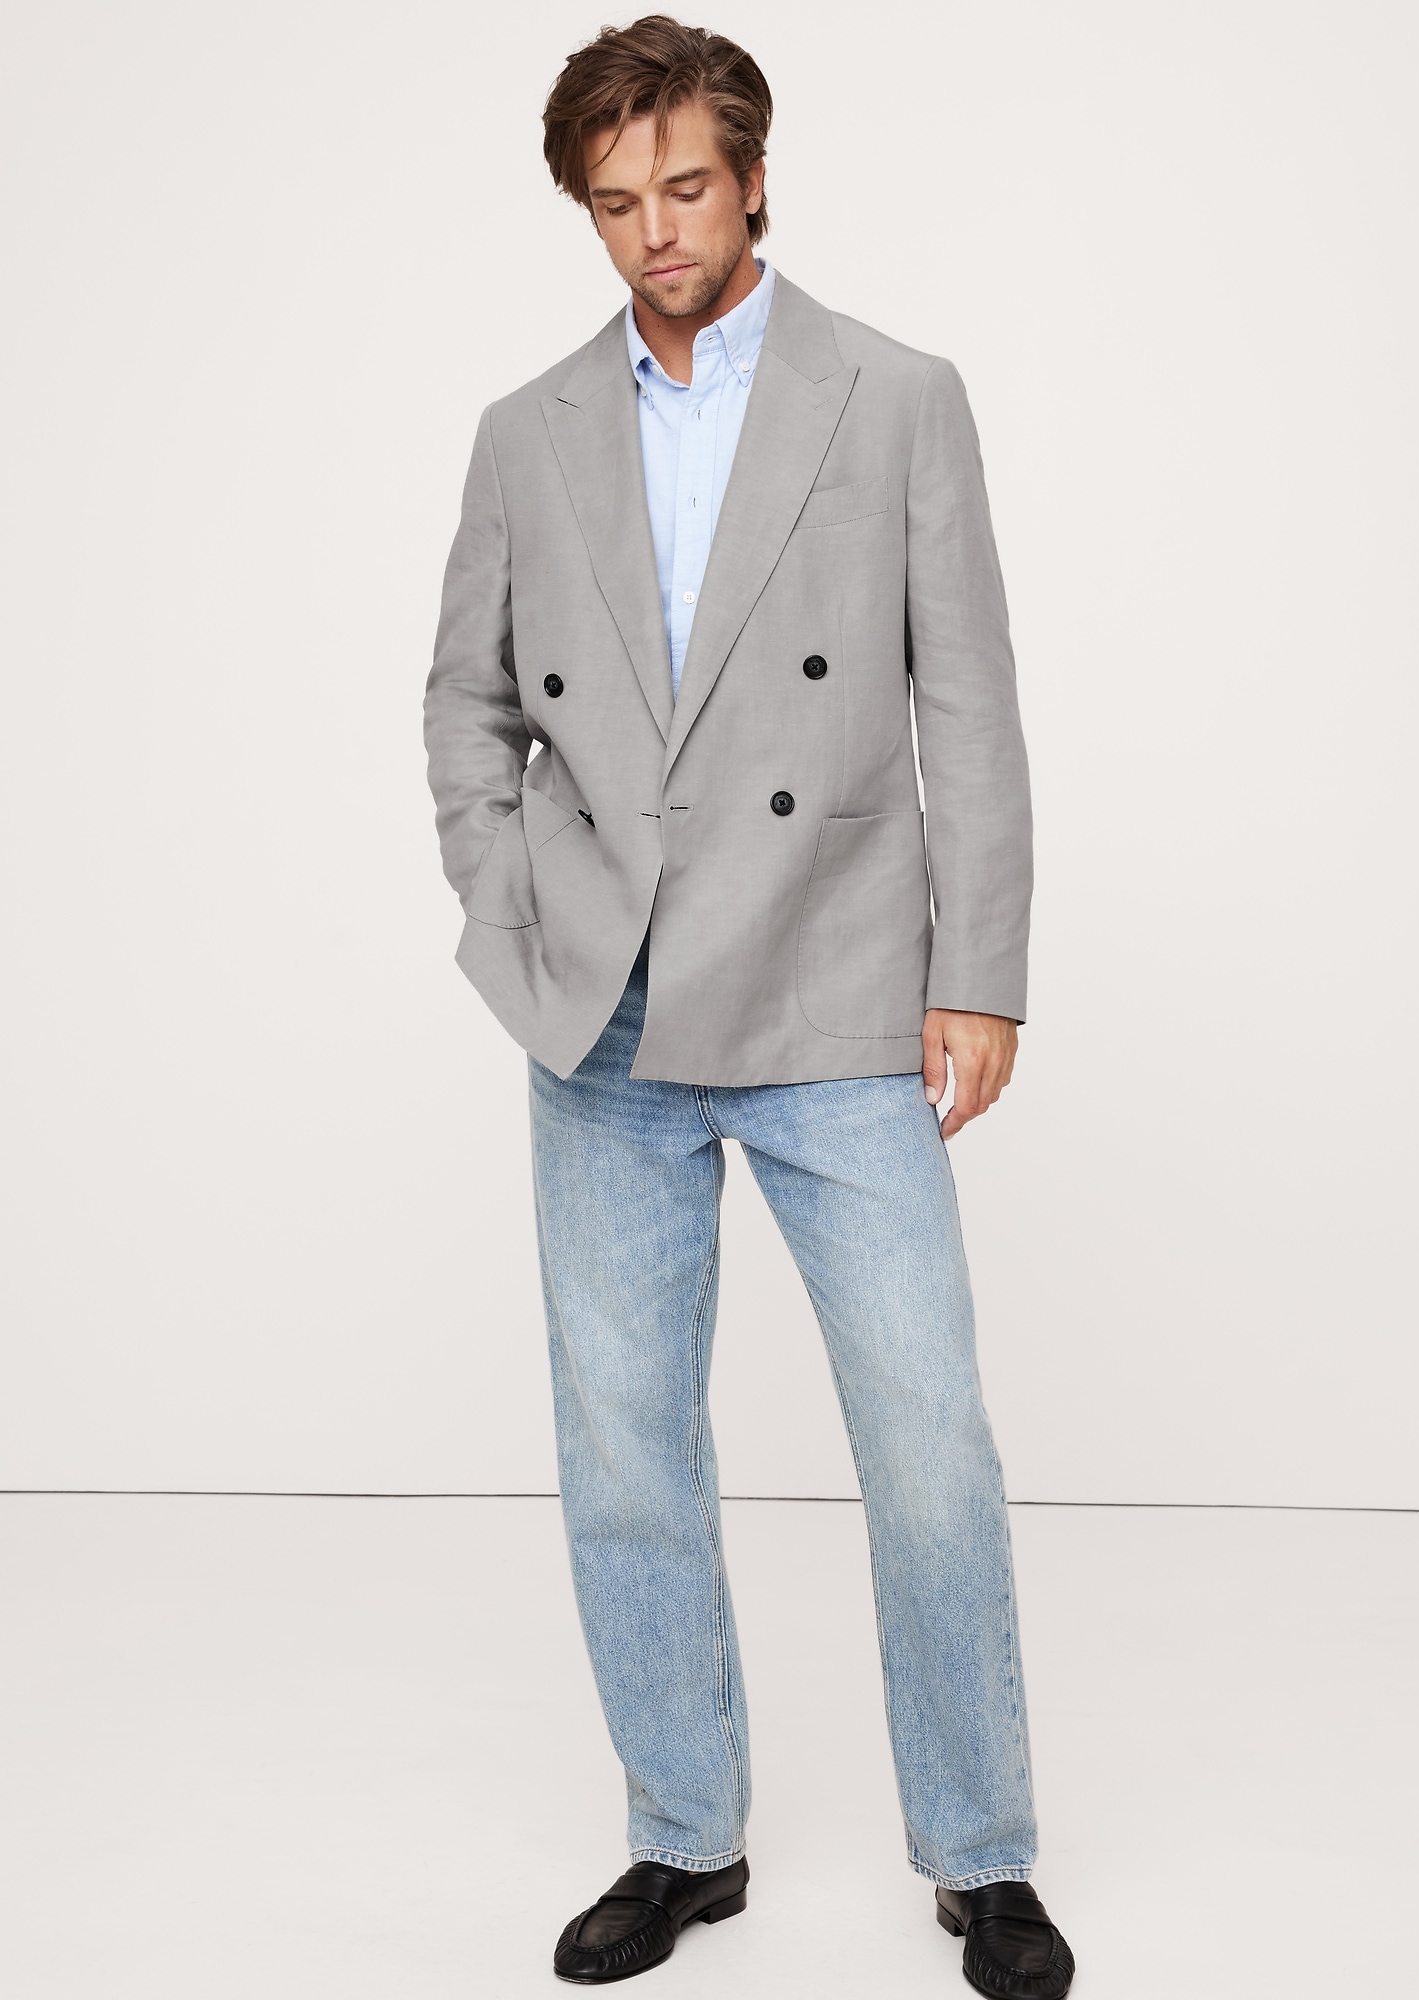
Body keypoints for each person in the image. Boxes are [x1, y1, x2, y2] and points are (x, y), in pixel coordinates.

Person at [423, 15, 1073, 1994]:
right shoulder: (526, 430)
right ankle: (682, 1835)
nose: (657, 232)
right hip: (604, 1015)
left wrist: (980, 973)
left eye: (687, 187)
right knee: (628, 1446)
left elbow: (970, 698)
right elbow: (466, 700)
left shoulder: (897, 397)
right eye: (617, 202)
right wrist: (512, 908)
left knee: (930, 1438)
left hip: (836, 983)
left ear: (757, 178)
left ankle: (982, 1855)